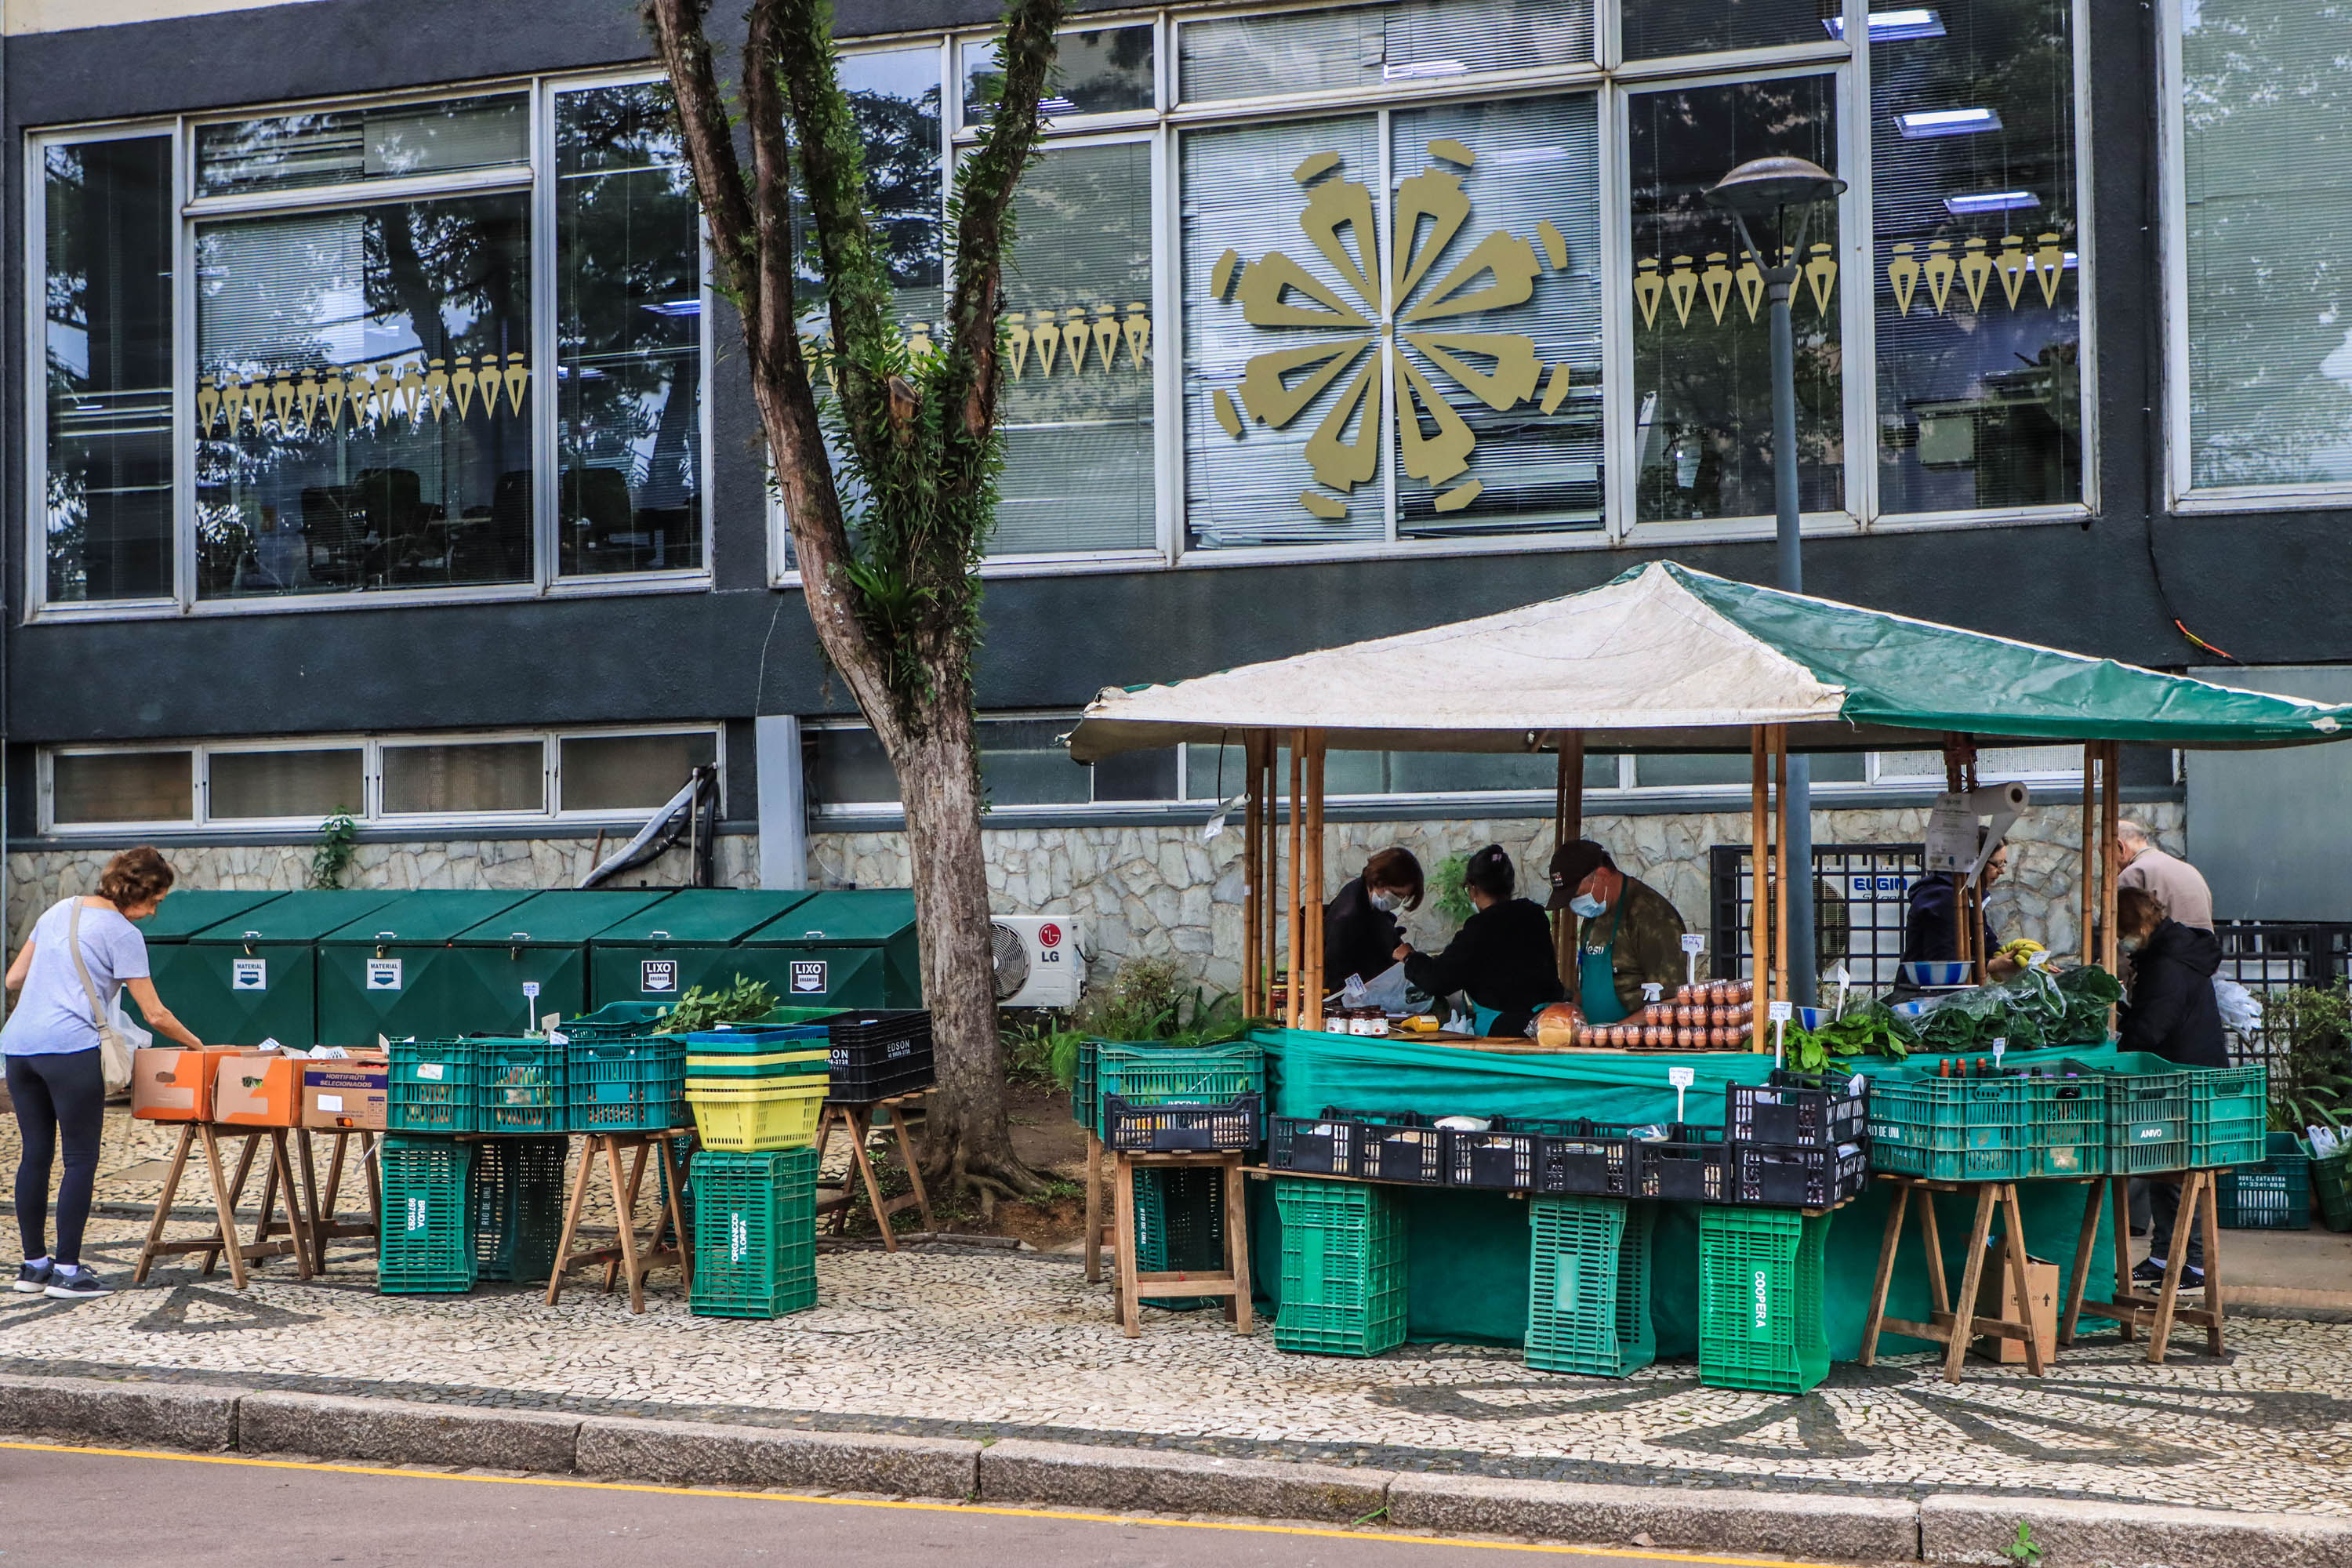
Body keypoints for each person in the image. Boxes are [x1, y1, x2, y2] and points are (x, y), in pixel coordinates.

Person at [2, 847, 204, 1300]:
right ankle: (69, 1271)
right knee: (79, 1158)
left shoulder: (59, 909)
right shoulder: (122, 933)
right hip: (71, 1049)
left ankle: (33, 1266)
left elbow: (14, 979)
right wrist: (200, 1047)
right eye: (155, 901)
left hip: (18, 1047)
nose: (154, 911)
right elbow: (154, 1014)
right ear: (140, 892)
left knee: (34, 1154)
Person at [2114, 885, 2227, 1294]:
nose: (2119, 941)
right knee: (2161, 1165)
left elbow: (2154, 1024)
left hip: (2184, 1074)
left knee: (2180, 1172)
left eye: (2122, 932)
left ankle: (2193, 1263)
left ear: (2140, 926)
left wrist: (2123, 1045)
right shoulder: (2164, 952)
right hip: (2176, 1071)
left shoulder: (2168, 961)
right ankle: (2164, 1255)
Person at [1393, 846, 1563, 1037]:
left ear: (1473, 889)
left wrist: (1409, 957)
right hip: (1551, 1022)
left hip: (1506, 1029)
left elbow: (1439, 980)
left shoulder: (1481, 927)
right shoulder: (1535, 916)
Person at [1548, 840, 1686, 1026]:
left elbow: (1673, 1001)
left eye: (1577, 895)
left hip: (1636, 1049)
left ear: (1602, 876)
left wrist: (1616, 1032)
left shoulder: (1652, 916)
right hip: (1593, 1045)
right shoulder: (1595, 911)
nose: (1574, 904)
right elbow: (1586, 987)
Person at [1902, 841, 2016, 976]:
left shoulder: (1972, 896)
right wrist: (1991, 965)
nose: (2002, 871)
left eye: (2004, 864)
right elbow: (1942, 961)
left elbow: (1987, 943)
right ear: (1977, 862)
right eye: (1998, 864)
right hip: (1927, 991)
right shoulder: (1941, 899)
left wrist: (2019, 959)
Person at [1323, 848, 1424, 991]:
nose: (1398, 901)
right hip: (1355, 998)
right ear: (1380, 882)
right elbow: (1338, 978)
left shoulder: (1369, 897)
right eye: (1396, 894)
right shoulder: (1347, 917)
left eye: (1403, 897)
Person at [2116, 820, 2214, 931]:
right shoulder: (2190, 869)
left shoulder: (2133, 873)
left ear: (2120, 847)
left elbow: (2127, 932)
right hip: (2205, 945)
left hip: (2166, 946)